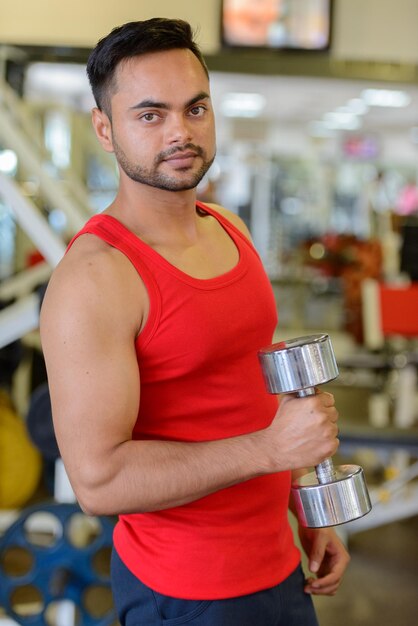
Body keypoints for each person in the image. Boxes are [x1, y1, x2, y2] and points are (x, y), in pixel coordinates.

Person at [40, 18, 349, 626]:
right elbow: (99, 483)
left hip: (279, 565)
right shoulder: (95, 278)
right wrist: (269, 450)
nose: (180, 132)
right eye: (150, 114)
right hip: (187, 593)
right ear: (105, 128)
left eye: (195, 108)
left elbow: (245, 392)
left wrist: (304, 502)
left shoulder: (227, 224)